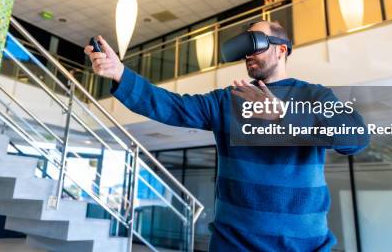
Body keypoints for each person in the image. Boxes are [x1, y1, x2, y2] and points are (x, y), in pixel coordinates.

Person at [85, 20, 368, 252]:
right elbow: (172, 106)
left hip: (303, 246)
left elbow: (356, 138)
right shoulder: (227, 100)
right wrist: (120, 73)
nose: (247, 53)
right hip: (234, 244)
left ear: (282, 50)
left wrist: (283, 115)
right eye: (245, 46)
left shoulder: (314, 95)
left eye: (255, 43)